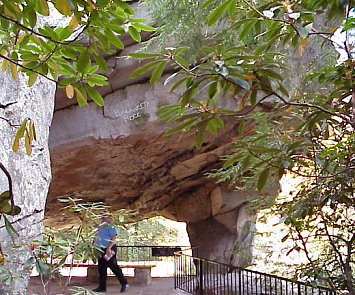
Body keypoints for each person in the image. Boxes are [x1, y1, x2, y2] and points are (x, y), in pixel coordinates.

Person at [93, 215, 129, 293]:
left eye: (104, 217)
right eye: (102, 217)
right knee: (101, 269)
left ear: (108, 218)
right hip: (100, 249)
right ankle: (102, 287)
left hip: (109, 248)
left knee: (113, 266)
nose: (102, 219)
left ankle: (124, 283)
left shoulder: (110, 226)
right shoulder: (100, 227)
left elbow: (113, 237)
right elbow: (98, 236)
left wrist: (109, 248)